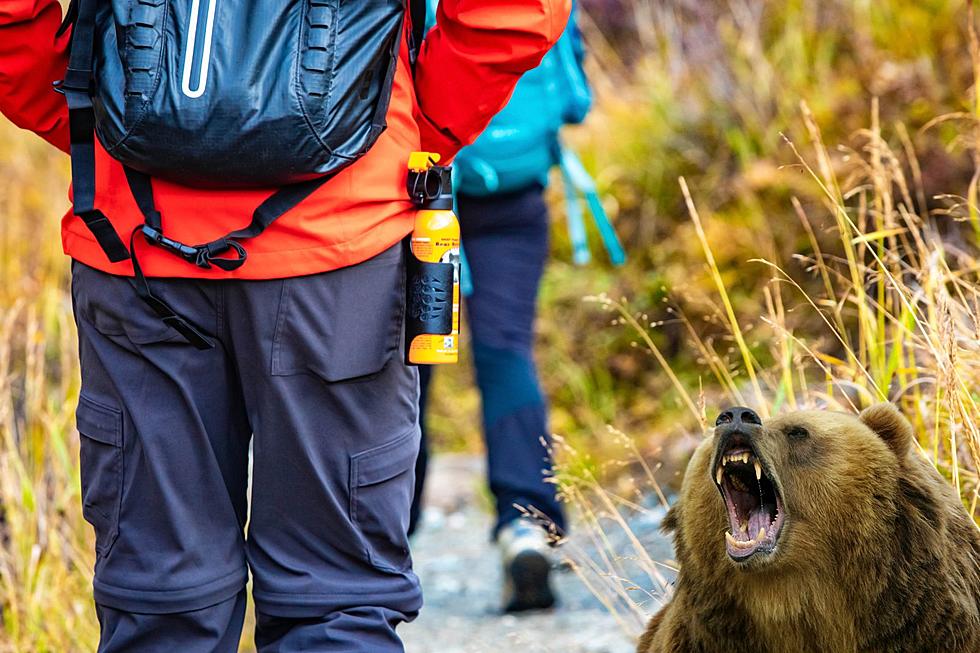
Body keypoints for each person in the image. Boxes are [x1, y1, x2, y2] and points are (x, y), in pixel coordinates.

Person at [0, 0, 570, 650]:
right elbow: (513, 13)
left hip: (135, 245)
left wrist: (106, 128)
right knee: (335, 604)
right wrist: (409, 130)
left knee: (158, 604)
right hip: (339, 257)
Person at [409, 0, 594, 613]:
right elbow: (574, 97)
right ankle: (526, 524)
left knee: (410, 357)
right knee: (505, 350)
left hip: (419, 186)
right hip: (515, 192)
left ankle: (380, 532)